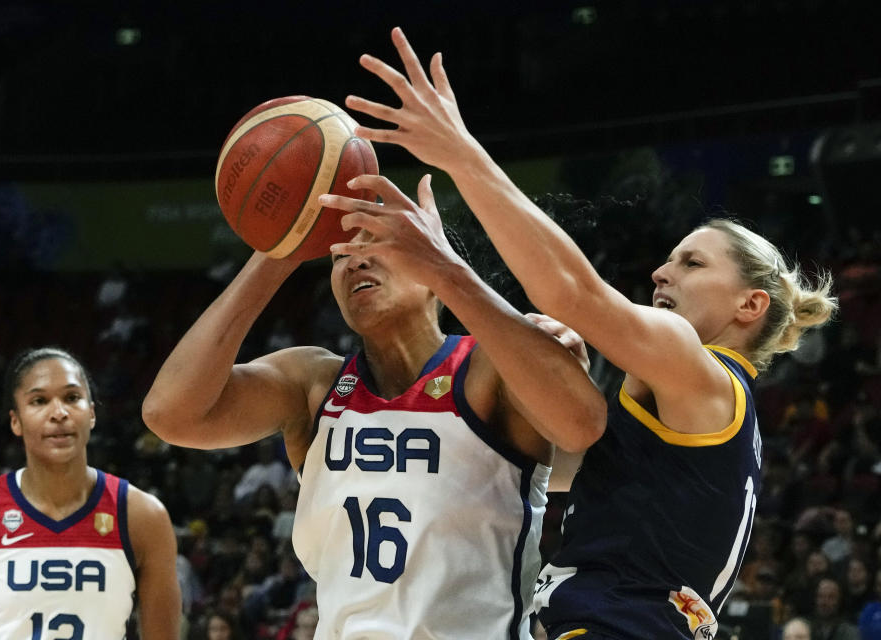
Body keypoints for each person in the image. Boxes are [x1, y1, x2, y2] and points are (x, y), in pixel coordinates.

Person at [341, 27, 837, 639]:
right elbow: (561, 468)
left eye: (692, 262)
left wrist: (460, 157)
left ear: (749, 304)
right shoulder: (691, 411)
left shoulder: (699, 370)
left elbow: (569, 292)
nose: (661, 270)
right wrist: (548, 373)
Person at [142, 178, 606, 637]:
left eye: (378, 244)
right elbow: (171, 414)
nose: (354, 259)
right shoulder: (313, 382)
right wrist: (277, 251)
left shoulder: (491, 368)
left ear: (431, 268)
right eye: (339, 254)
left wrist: (449, 271)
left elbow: (581, 427)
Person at [0, 348, 181, 640]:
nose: (59, 413)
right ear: (15, 421)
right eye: (39, 401)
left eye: (72, 398)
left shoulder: (143, 517)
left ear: (92, 413)